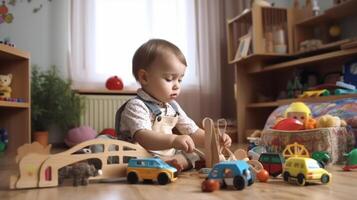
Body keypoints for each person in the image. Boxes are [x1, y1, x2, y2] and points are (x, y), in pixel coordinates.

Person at [116, 39, 232, 171]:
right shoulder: (136, 106)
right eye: (169, 79)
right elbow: (144, 137)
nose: (177, 85)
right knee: (184, 156)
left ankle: (171, 163)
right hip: (140, 156)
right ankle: (168, 164)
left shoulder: (172, 106)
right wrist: (173, 140)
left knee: (193, 154)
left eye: (180, 79)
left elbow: (192, 132)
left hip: (165, 155)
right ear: (144, 77)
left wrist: (215, 139)